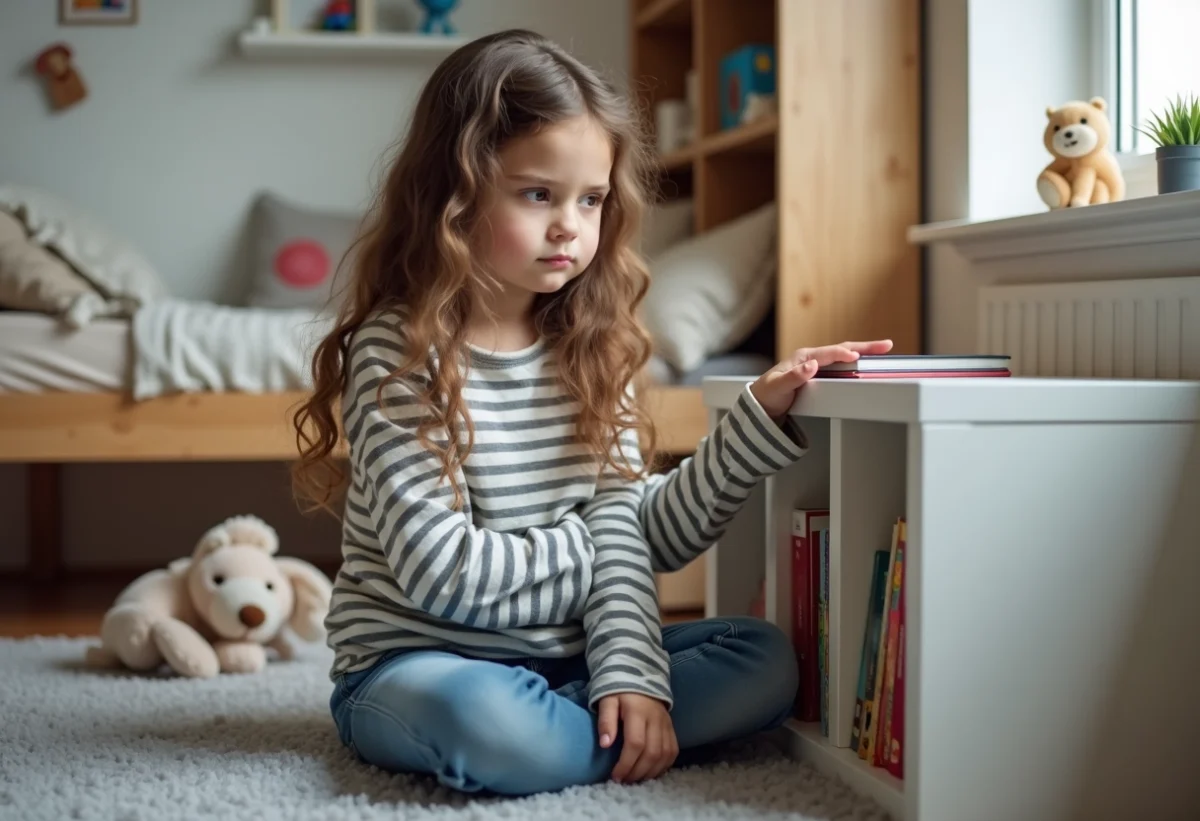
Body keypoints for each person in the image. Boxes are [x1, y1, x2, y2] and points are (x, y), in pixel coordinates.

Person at [291, 28, 892, 797]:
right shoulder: (400, 353)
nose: (570, 225)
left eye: (593, 198)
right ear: (456, 190)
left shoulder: (592, 346)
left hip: (572, 656)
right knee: (485, 717)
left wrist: (755, 420)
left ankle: (583, 725)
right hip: (422, 665)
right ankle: (603, 730)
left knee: (766, 661)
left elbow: (658, 533)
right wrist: (611, 543)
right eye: (538, 193)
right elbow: (443, 576)